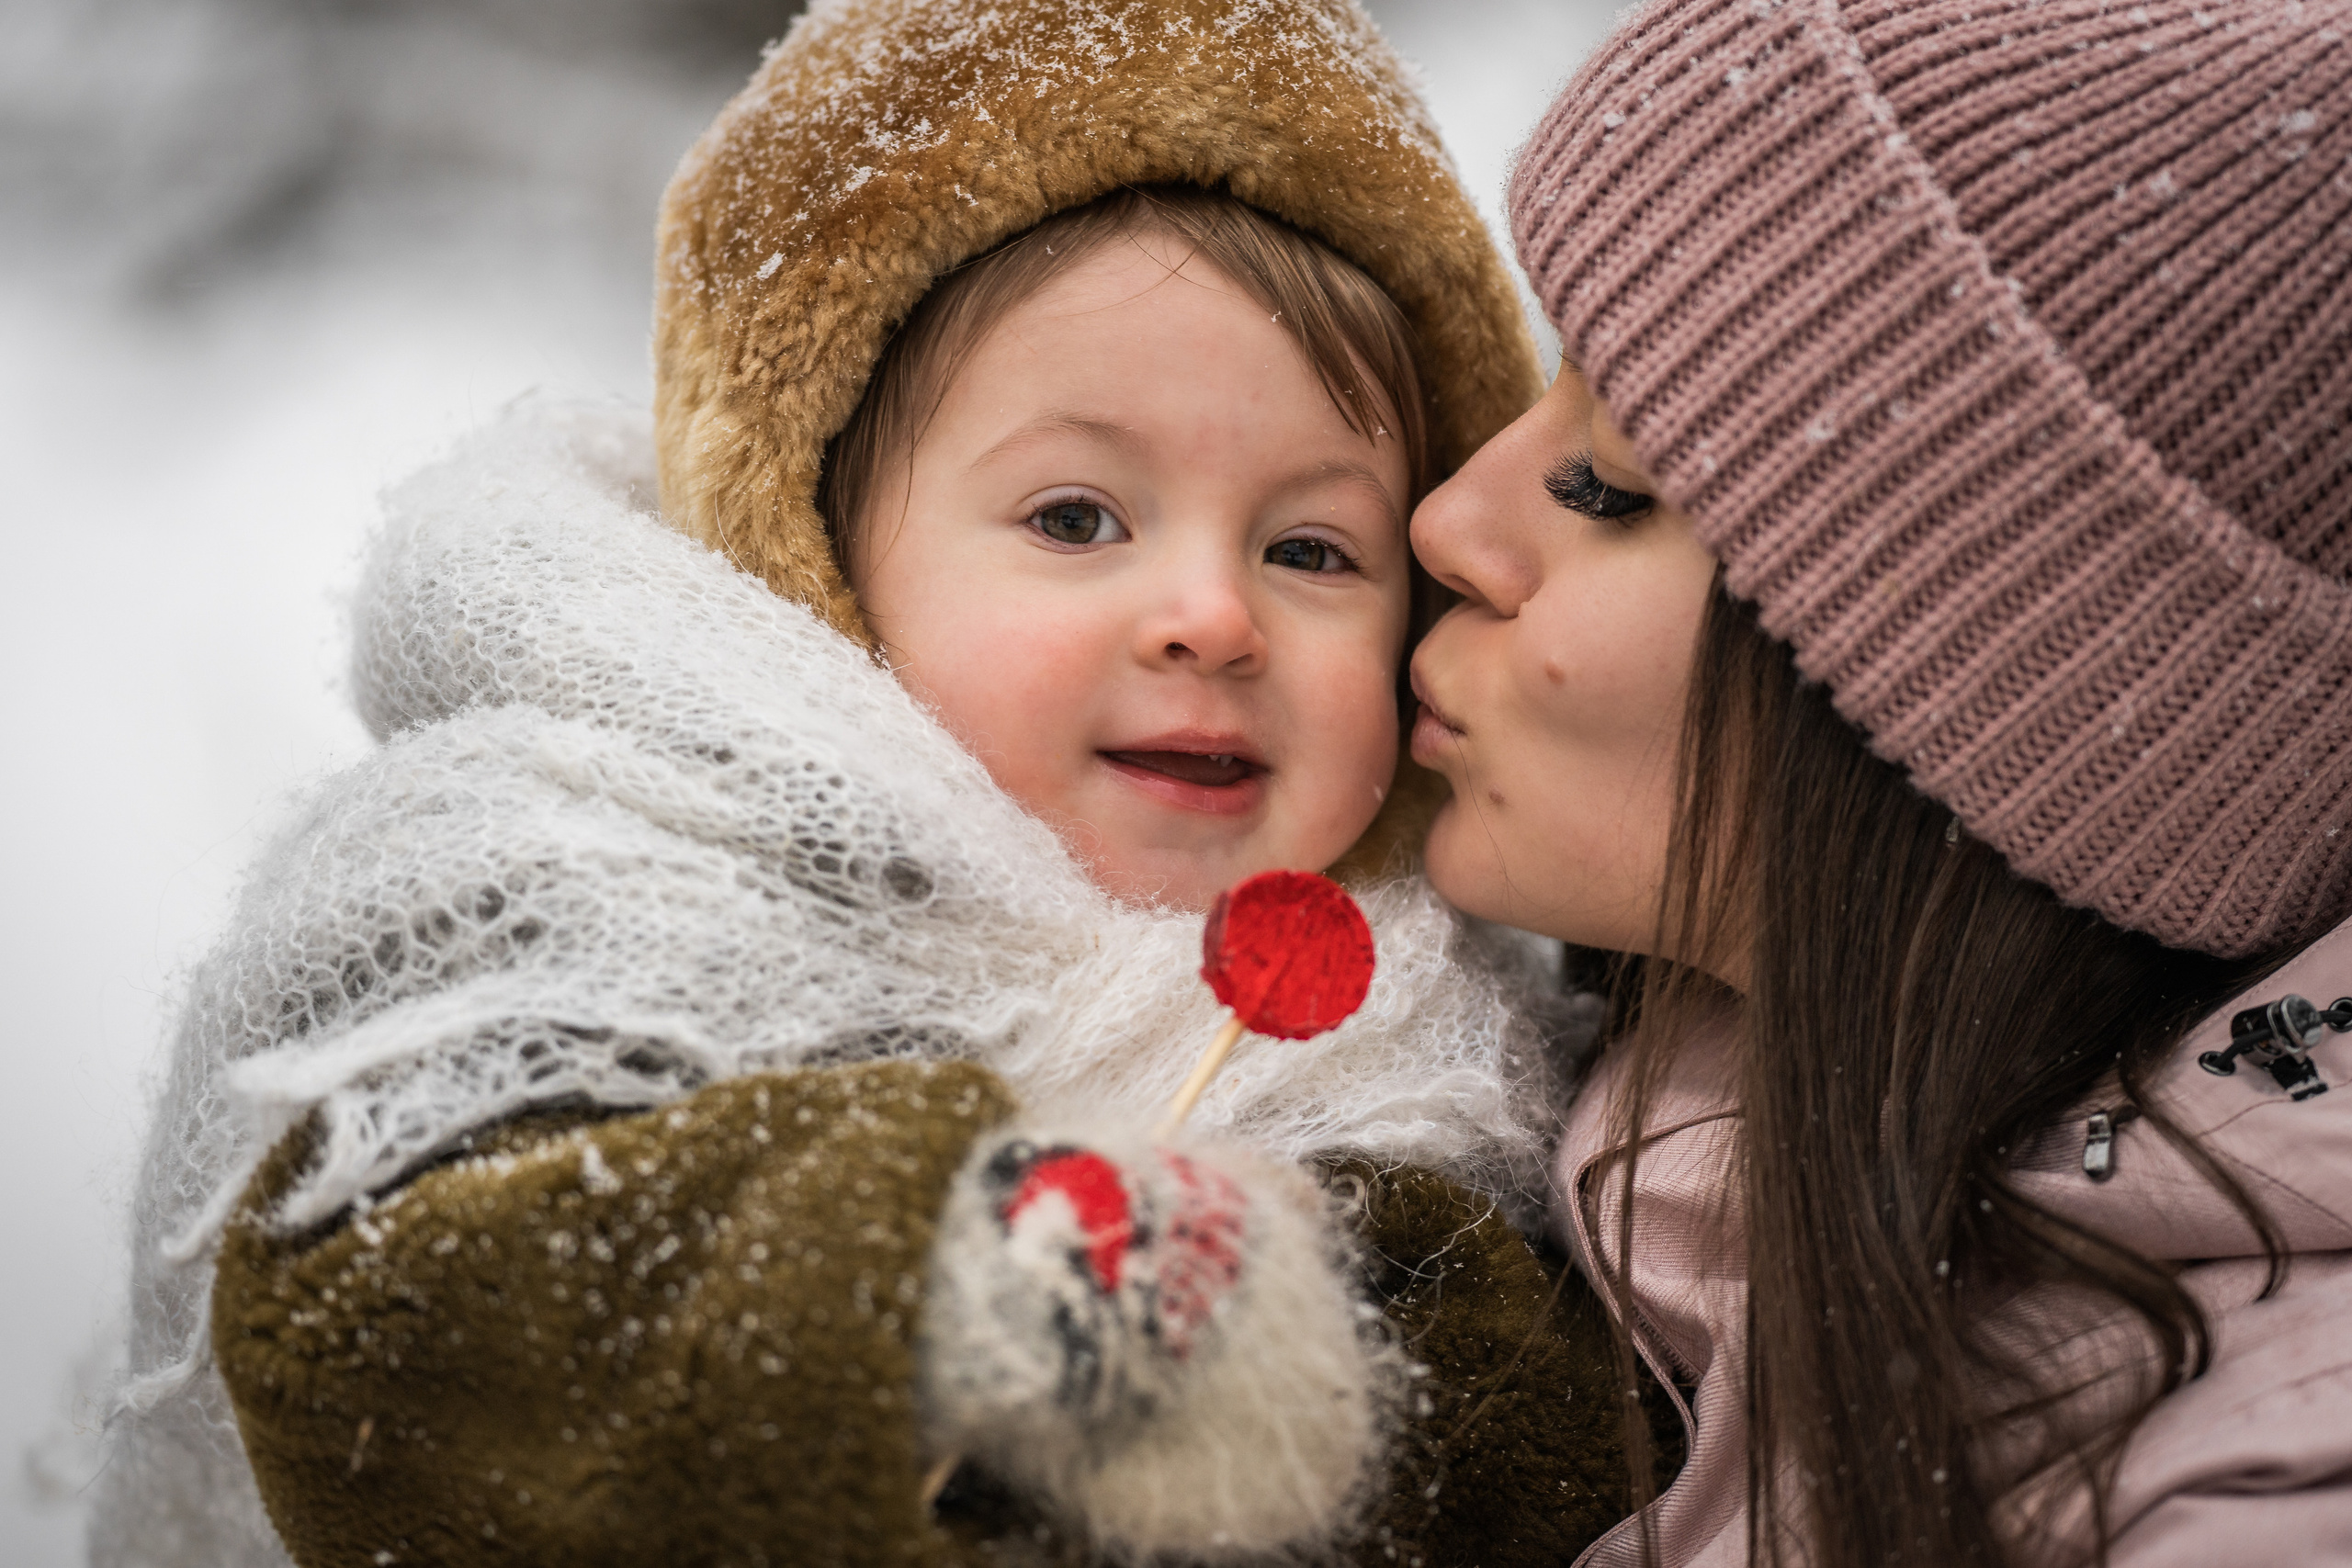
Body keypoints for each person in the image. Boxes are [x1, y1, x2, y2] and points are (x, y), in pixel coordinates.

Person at [97, 3, 1649, 1565]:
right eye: (1075, 519)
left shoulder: (1453, 1047)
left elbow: (1560, 1459)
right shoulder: (611, 889)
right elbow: (396, 1315)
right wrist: (938, 1289)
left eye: (1311, 549)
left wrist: (1326, 1344)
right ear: (819, 565)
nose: (1213, 616)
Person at [1408, 0, 2352, 1562]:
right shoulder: (1652, 1131)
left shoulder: (2251, 1495)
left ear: (2003, 708)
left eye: (1610, 489)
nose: (1449, 519)